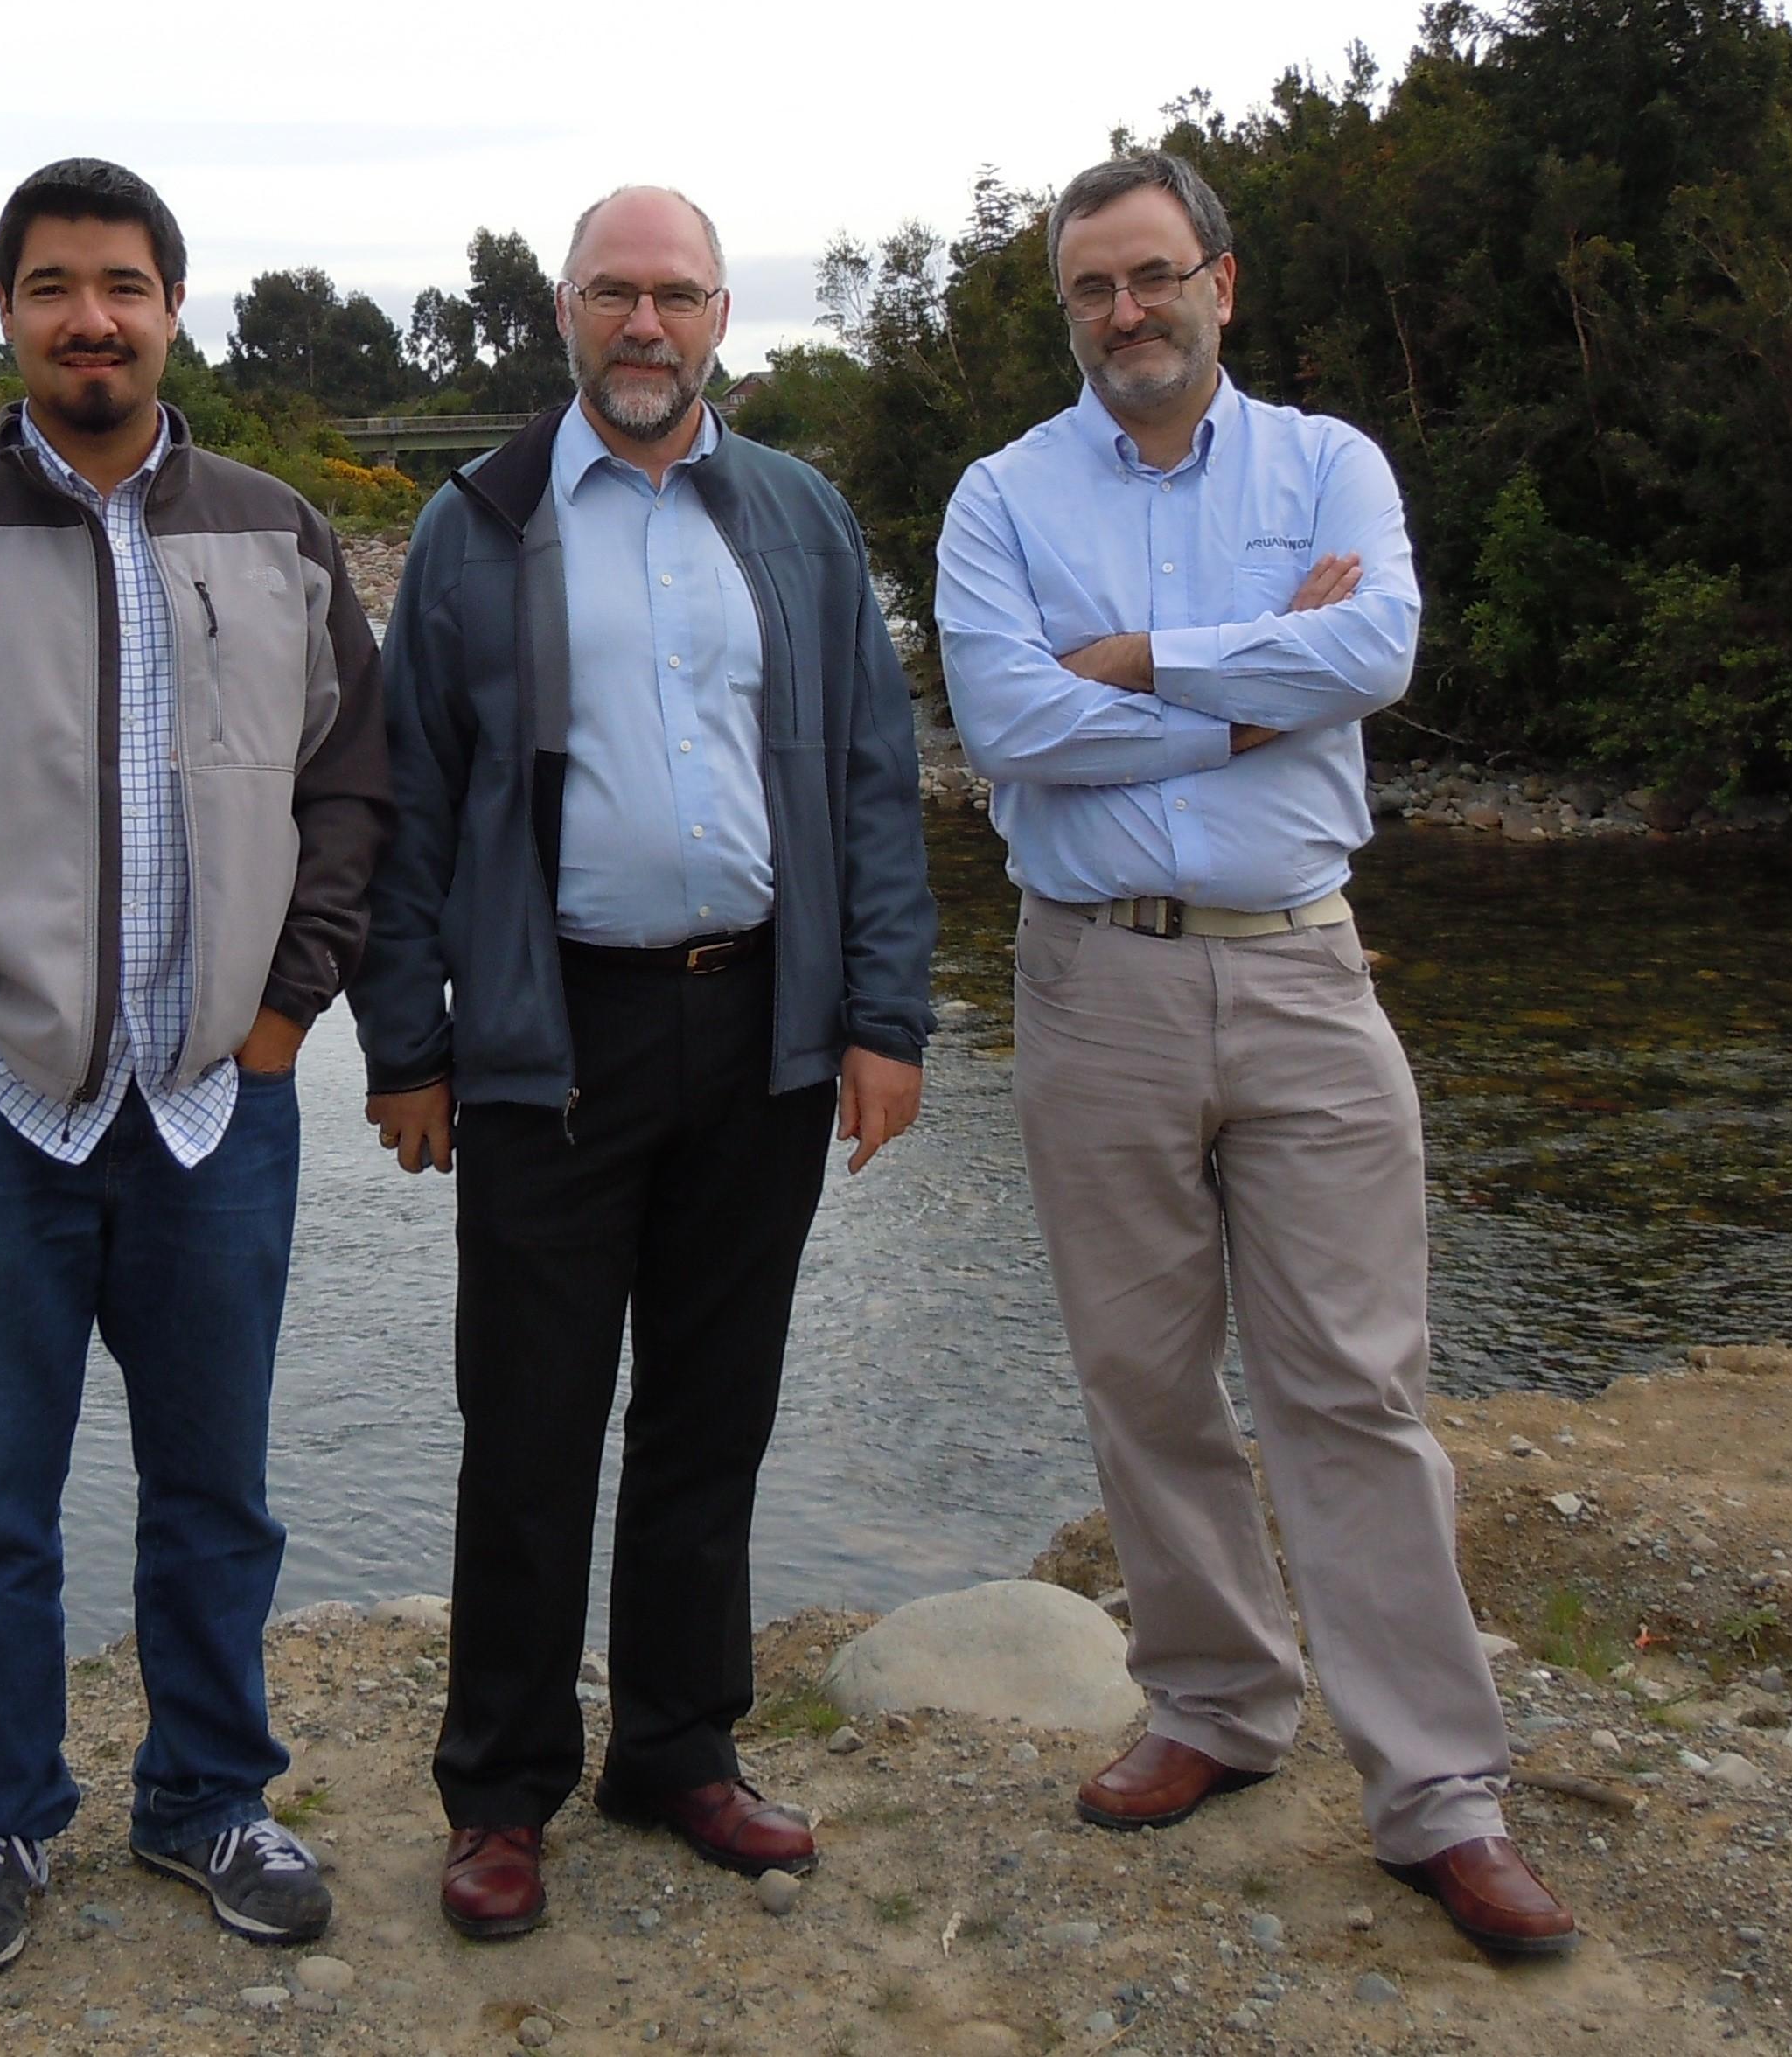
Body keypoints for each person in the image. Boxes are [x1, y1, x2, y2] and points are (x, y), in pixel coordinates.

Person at [930, 150, 1579, 1962]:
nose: (1123, 314)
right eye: (1090, 290)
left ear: (1224, 279)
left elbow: (1374, 646)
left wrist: (1139, 661)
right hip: (1091, 983)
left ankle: (1440, 1793)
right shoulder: (1000, 497)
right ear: (1066, 308)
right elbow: (1006, 719)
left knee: (1355, 1392)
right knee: (1145, 1380)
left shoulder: (1330, 466)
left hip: (1303, 975)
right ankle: (1217, 1705)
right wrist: (1251, 689)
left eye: (1151, 277)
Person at [0, 158, 391, 1977]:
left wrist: (285, 1018)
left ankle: (209, 1797)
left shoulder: (277, 534)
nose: (91, 318)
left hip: (215, 1107)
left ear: (173, 308)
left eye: (122, 284)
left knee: (218, 1494)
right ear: (12, 315)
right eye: (54, 287)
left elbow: (351, 786)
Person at [355, 184, 937, 1942]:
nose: (645, 326)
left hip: (760, 1027)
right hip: (552, 1041)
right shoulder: (477, 526)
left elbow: (868, 782)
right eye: (615, 293)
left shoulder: (803, 521)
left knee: (711, 1413)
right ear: (561, 314)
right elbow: (408, 812)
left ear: (721, 319)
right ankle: (502, 1789)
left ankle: (680, 1749)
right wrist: (407, 1041)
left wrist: (885, 1019)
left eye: (675, 296)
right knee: (527, 1428)